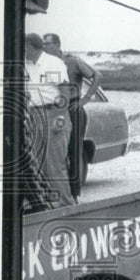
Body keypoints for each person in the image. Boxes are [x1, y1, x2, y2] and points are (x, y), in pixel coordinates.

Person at [41, 34, 101, 200]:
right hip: (55, 110)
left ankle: (73, 196)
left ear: (57, 45)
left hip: (73, 108)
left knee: (74, 152)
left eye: (47, 44)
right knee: (56, 153)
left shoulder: (72, 61)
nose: (44, 47)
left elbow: (98, 76)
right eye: (43, 44)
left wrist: (86, 98)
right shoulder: (45, 64)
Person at [24, 33, 73, 208]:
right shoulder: (27, 65)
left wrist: (60, 118)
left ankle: (65, 206)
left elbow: (65, 91)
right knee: (36, 163)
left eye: (24, 47)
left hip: (53, 113)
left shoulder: (52, 63)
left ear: (31, 46)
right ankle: (48, 206)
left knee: (54, 164)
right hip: (33, 115)